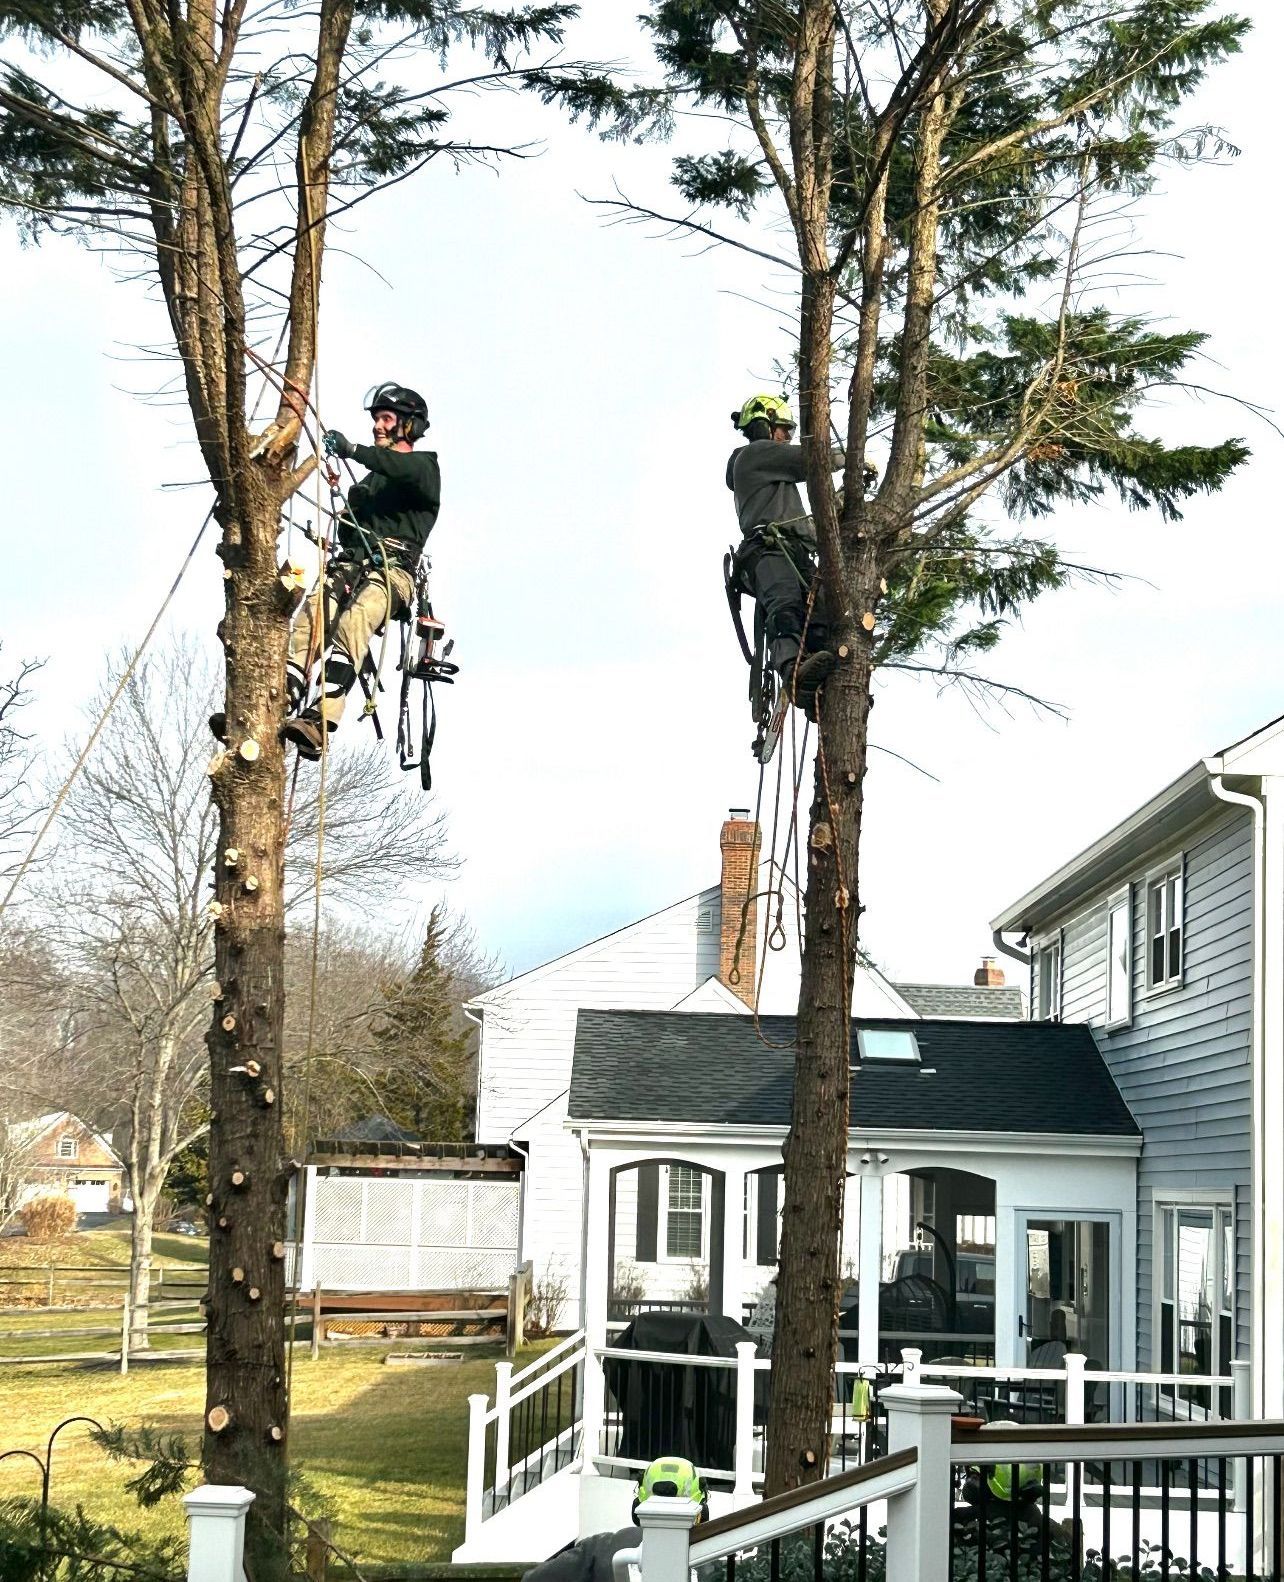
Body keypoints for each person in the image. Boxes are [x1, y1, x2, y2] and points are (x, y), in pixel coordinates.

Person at [282, 381, 440, 760]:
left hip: (391, 574)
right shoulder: (370, 485)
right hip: (351, 566)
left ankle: (320, 720)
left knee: (355, 623)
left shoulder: (423, 468)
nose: (377, 426)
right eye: (376, 419)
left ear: (409, 426)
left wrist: (353, 451)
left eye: (386, 419)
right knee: (311, 618)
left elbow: (395, 466)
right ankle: (279, 698)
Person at [726, 392, 838, 702]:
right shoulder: (755, 455)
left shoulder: (779, 487)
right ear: (763, 427)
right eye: (782, 428)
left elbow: (806, 528)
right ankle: (792, 669)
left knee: (822, 613)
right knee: (785, 603)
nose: (787, 436)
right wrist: (851, 457)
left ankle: (818, 690)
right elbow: (814, 460)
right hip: (768, 551)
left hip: (794, 551)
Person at [519, 1457, 708, 1582]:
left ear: (638, 1504)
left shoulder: (599, 1549)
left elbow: (534, 1580)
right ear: (701, 1509)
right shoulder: (722, 1558)